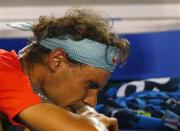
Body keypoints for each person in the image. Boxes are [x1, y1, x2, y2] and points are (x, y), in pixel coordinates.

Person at [0, 8, 129, 131]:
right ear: (57, 61)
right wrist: (89, 116)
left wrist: (84, 110)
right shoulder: (5, 74)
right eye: (89, 85)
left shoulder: (24, 82)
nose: (92, 101)